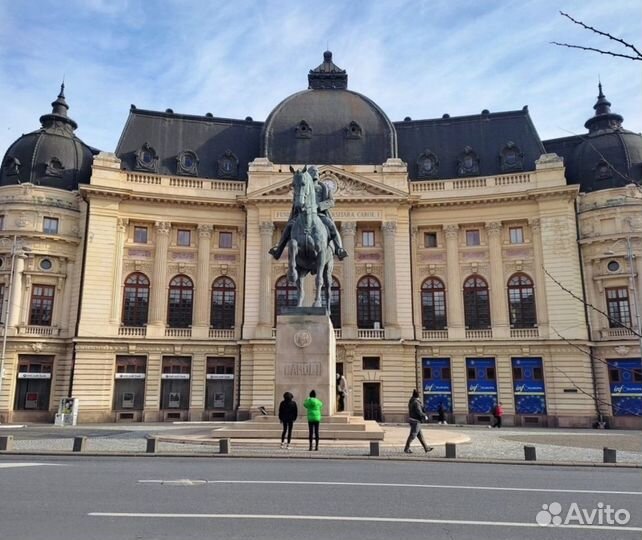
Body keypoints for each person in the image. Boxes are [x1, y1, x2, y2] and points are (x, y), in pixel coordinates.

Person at [269, 165, 348, 260]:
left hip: (319, 215)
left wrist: (318, 206)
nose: (315, 174)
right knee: (289, 227)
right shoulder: (302, 187)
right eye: (313, 172)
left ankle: (339, 249)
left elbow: (331, 202)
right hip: (302, 215)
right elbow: (297, 201)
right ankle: (279, 249)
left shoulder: (323, 187)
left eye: (316, 172)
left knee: (331, 226)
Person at [404, 389, 433, 454]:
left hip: (412, 419)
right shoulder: (416, 402)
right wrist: (424, 416)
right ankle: (406, 448)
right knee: (413, 435)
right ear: (417, 396)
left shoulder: (411, 401)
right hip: (416, 421)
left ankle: (426, 448)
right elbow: (419, 411)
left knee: (420, 436)